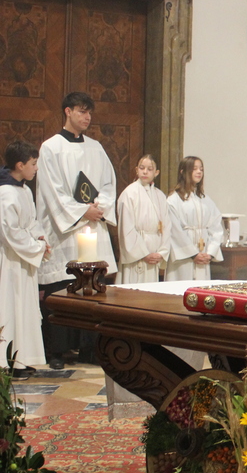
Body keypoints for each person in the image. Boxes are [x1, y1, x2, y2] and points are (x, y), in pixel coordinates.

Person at [36, 92, 118, 370]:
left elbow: (108, 185)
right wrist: (83, 212)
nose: (87, 117)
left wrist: (99, 208)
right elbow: (52, 191)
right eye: (82, 111)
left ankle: (89, 349)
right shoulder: (51, 148)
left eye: (90, 112)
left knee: (92, 289)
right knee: (62, 288)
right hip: (65, 232)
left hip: (93, 226)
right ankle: (57, 351)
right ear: (68, 111)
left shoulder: (96, 147)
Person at [0, 141, 51, 378]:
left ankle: (21, 359)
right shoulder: (5, 193)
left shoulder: (24, 190)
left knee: (25, 308)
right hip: (9, 261)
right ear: (20, 165)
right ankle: (6, 361)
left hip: (25, 259)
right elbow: (10, 232)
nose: (36, 168)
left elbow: (31, 222)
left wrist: (41, 238)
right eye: (33, 164)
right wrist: (36, 247)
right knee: (11, 307)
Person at [165, 156, 224, 281]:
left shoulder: (205, 199)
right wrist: (193, 254)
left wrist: (210, 253)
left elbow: (216, 227)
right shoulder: (174, 200)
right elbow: (175, 231)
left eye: (201, 169)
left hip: (204, 254)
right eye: (194, 169)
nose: (199, 172)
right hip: (183, 259)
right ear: (183, 171)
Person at [117, 155, 171, 284]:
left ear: (156, 172)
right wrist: (143, 254)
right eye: (142, 168)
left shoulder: (160, 196)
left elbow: (167, 226)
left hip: (155, 254)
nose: (145, 172)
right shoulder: (129, 193)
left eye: (150, 169)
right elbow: (126, 228)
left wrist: (161, 253)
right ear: (136, 170)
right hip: (136, 257)